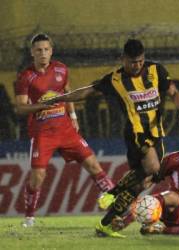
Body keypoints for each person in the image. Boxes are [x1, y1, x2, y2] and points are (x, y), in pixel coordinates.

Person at [43, 38, 179, 237]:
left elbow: (174, 92)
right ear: (123, 59)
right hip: (136, 134)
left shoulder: (157, 71)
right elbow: (86, 91)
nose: (136, 65)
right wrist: (57, 98)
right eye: (132, 62)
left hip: (157, 134)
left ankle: (105, 224)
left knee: (144, 183)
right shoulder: (115, 79)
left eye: (139, 61)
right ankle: (112, 193)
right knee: (154, 168)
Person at [15, 33, 114, 227]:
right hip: (42, 133)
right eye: (38, 50)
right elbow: (20, 108)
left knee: (93, 165)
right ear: (32, 53)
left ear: (51, 51)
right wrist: (43, 106)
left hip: (65, 129)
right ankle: (29, 217)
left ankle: (118, 203)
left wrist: (74, 116)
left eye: (46, 49)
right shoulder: (26, 77)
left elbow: (68, 94)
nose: (43, 53)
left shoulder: (61, 69)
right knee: (37, 178)